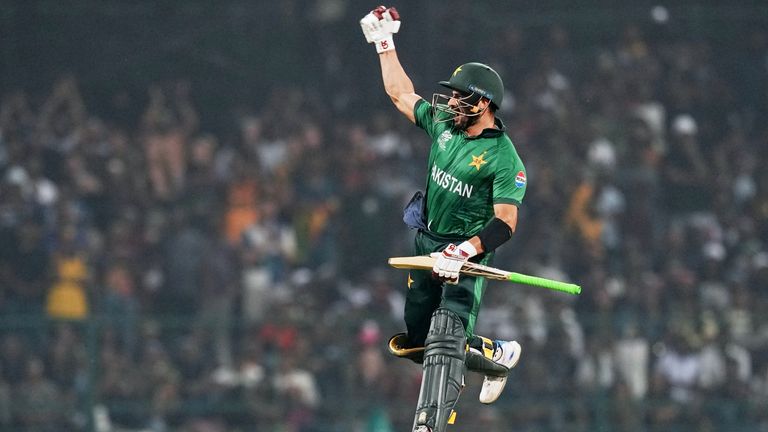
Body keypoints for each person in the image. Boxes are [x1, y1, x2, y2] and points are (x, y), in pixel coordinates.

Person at [361, 5, 526, 431]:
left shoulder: (504, 158)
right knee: (416, 340)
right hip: (427, 244)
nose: (452, 100)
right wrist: (384, 44)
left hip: (464, 257)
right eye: (451, 93)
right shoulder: (445, 126)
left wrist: (465, 250)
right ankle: (495, 355)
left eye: (461, 95)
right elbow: (401, 94)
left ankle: (428, 425)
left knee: (445, 338)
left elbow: (505, 222)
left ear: (484, 104)